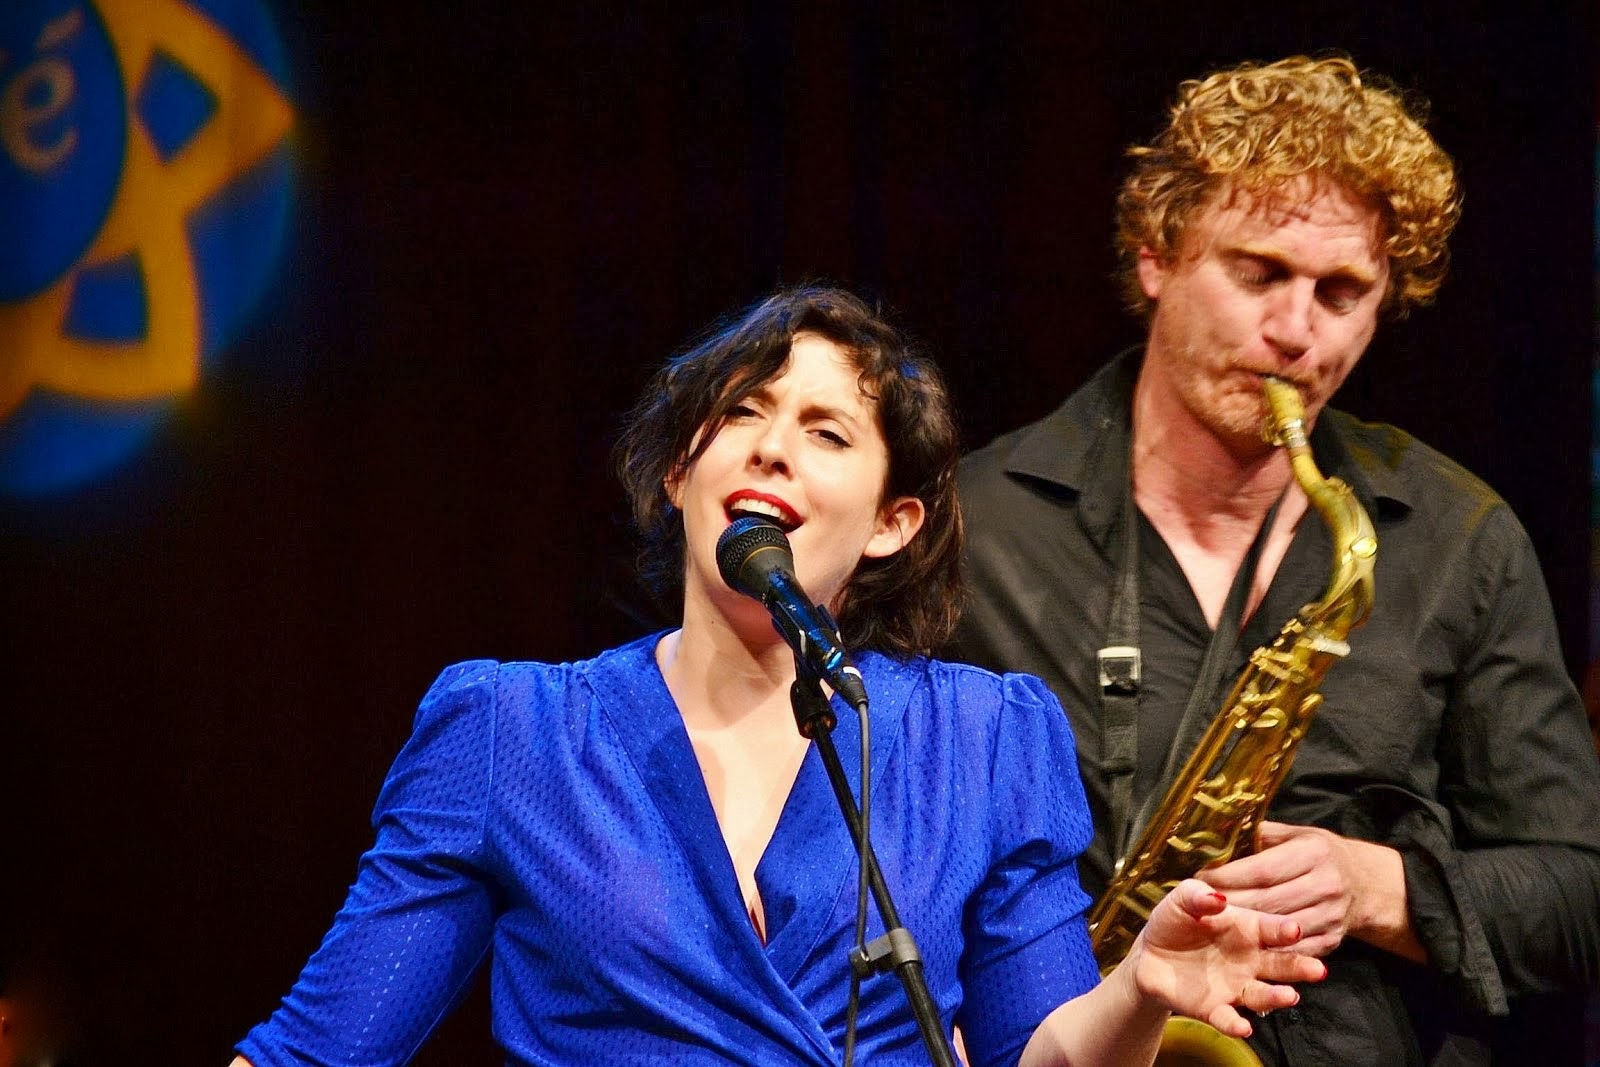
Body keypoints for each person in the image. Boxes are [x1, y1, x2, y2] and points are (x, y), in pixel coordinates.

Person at [230, 287, 1322, 1067]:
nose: (769, 448)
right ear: (679, 471)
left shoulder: (984, 739)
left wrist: (1138, 988)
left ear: (895, 522)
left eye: (825, 430)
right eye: (741, 411)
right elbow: (315, 1051)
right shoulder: (514, 732)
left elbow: (1036, 1053)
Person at [949, 54, 1600, 1065]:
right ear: (1157, 254)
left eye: (1342, 292)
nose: (1296, 331)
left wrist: (1382, 888)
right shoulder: (974, 528)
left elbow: (1577, 892)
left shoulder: (1456, 535)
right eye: (1257, 273)